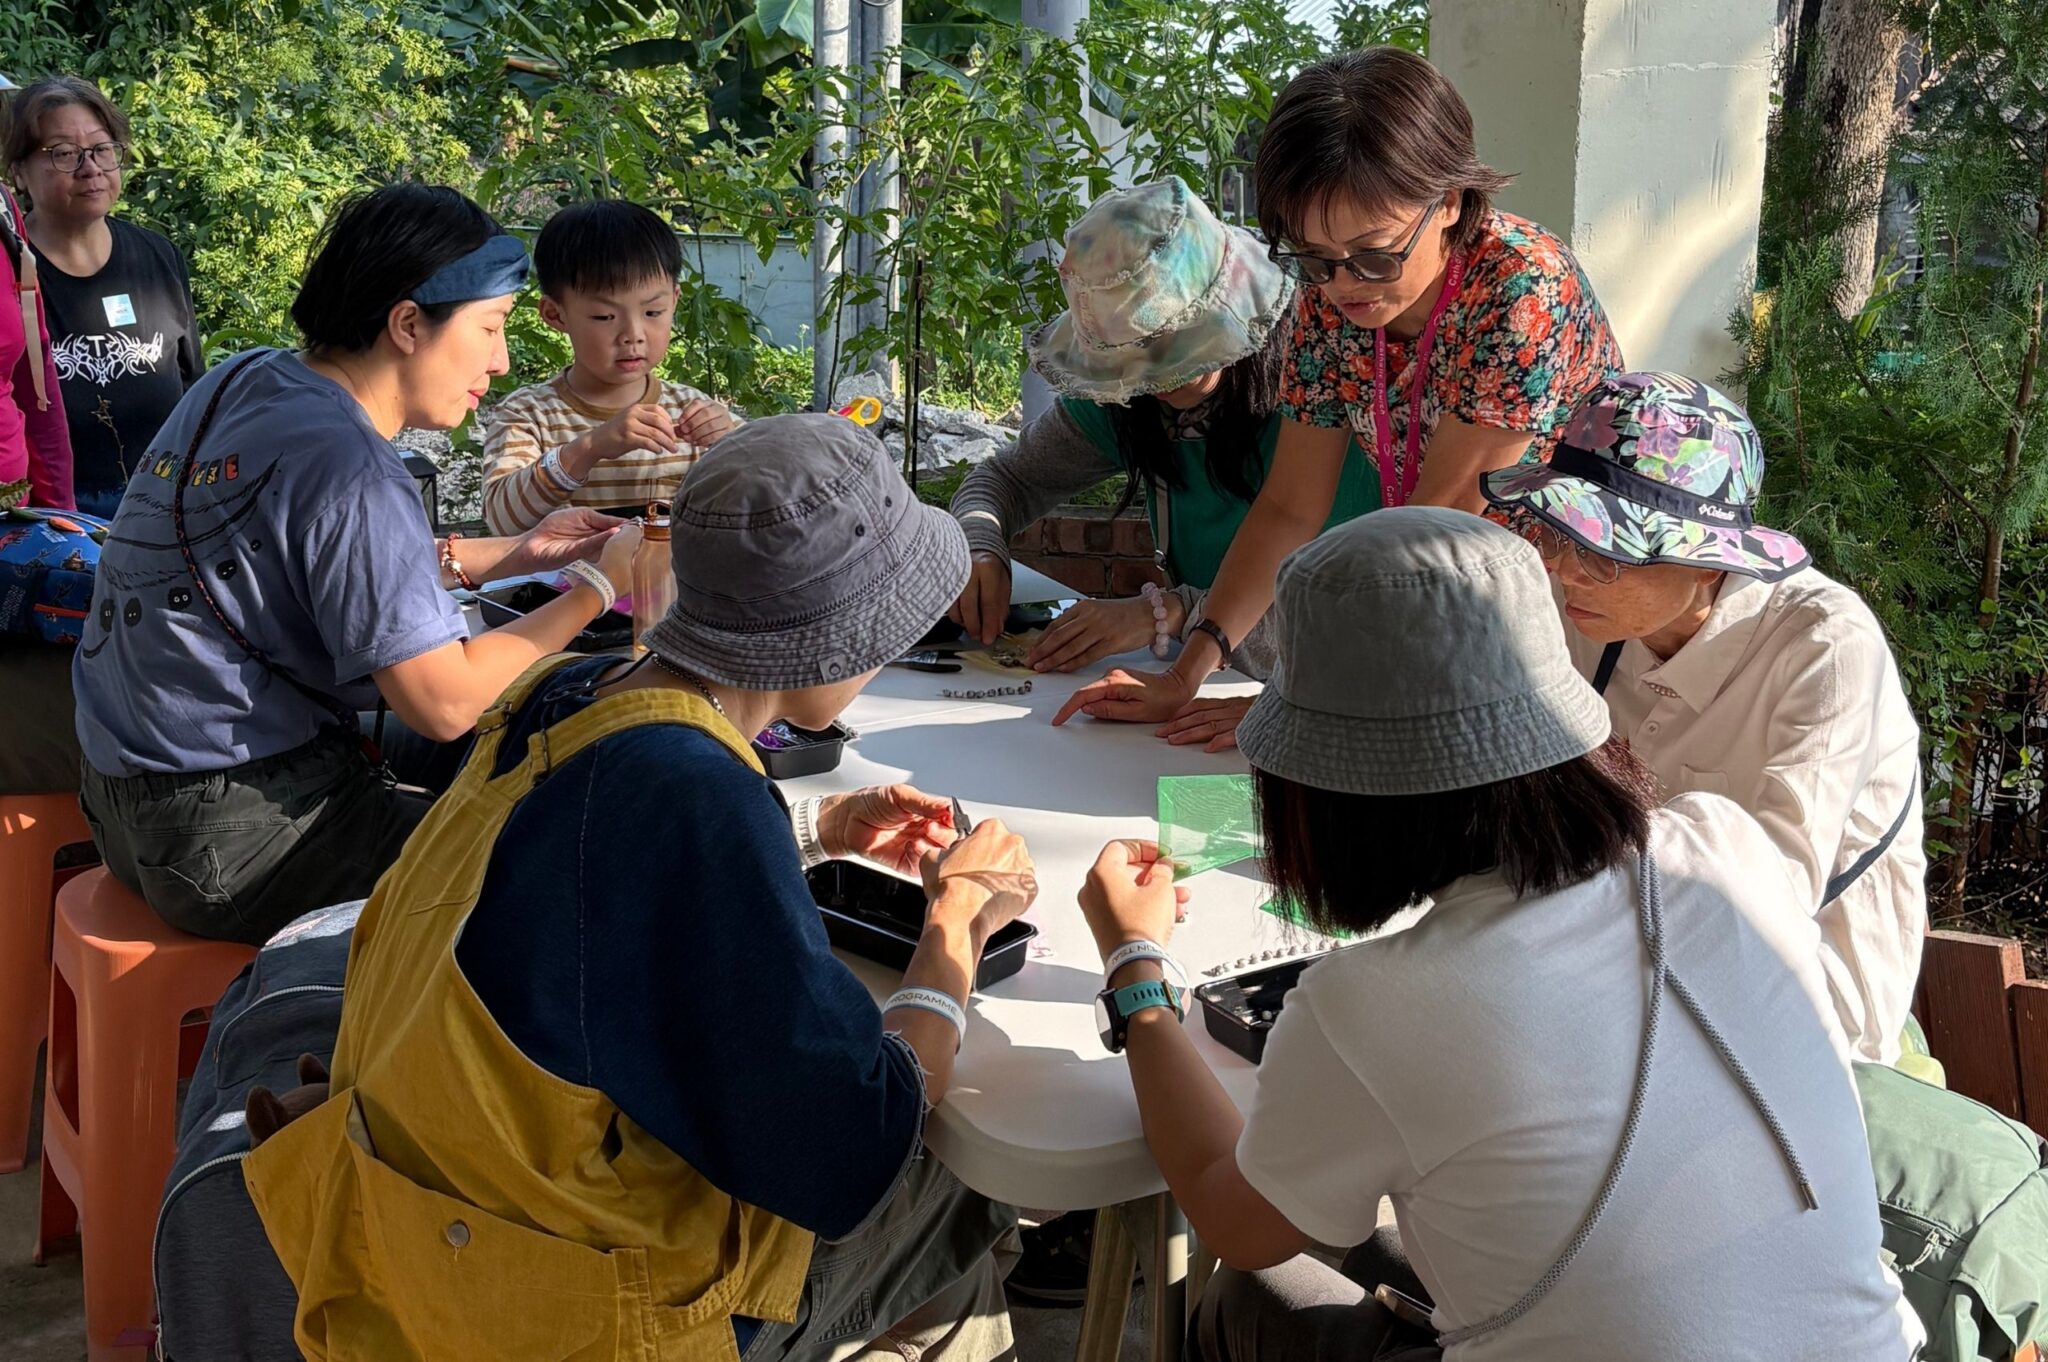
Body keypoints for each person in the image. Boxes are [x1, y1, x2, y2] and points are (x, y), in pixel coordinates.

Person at [244, 413, 1028, 1362]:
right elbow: (852, 1145)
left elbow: (575, 885)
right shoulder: (693, 797)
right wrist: (955, 923)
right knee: (957, 1188)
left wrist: (812, 828)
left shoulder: (565, 694)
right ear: (831, 642)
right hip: (561, 1315)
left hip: (417, 1237)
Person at [1074, 507, 1921, 1361]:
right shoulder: (1724, 843)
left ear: (1322, 791)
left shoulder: (1371, 1002)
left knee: (1247, 1297)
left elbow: (1230, 1214)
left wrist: (1135, 968)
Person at [73, 183, 640, 945]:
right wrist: (600, 587)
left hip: (123, 804)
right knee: (562, 859)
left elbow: (296, 564)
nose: (502, 361)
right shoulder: (354, 464)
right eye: (492, 328)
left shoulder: (243, 379)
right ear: (408, 323)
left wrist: (517, 554)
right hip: (238, 839)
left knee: (517, 737)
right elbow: (443, 703)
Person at [1055, 47, 1621, 739]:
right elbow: (1289, 507)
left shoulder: (1520, 287)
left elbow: (1432, 528)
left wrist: (1296, 703)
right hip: (1438, 594)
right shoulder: (1333, 298)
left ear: (1448, 200)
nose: (1345, 283)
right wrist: (1188, 671)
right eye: (1313, 258)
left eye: (1376, 253)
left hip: (1566, 609)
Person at [1483, 371, 1926, 1063]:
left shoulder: (1825, 647)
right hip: (1614, 960)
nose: (1561, 569)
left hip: (1807, 1021)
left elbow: (1766, 906)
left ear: (1707, 561)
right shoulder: (1583, 610)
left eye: (1600, 550)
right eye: (1553, 532)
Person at [949, 176, 1378, 707]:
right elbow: (1004, 479)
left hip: (1344, 701)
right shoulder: (1123, 401)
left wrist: (1172, 612)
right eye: (1132, 359)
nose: (1158, 376)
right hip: (1205, 695)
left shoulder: (1322, 378)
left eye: (1173, 344)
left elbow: (1371, 618)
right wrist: (978, 544)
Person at [481, 198, 739, 532]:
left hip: (674, 586)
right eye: (604, 316)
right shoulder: (528, 415)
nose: (633, 335)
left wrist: (735, 442)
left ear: (674, 300)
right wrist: (590, 448)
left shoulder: (693, 411)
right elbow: (503, 521)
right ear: (555, 314)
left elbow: (772, 493)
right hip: (567, 586)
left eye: (653, 313)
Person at [7, 76, 201, 518]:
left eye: (101, 149)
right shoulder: (8, 274)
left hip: (165, 510)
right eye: (63, 154)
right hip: (56, 521)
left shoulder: (158, 256)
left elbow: (193, 389)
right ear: (18, 171)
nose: (90, 168)